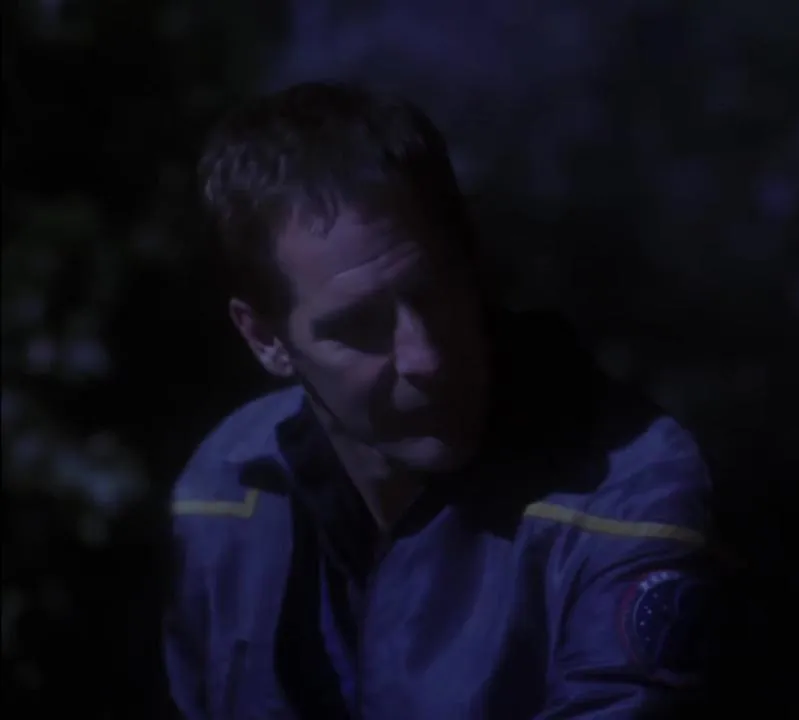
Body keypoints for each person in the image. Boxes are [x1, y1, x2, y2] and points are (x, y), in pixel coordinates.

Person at [163, 81, 716, 719]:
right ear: (266, 339)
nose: (424, 357)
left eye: (434, 290)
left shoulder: (627, 493)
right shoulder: (224, 492)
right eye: (361, 326)